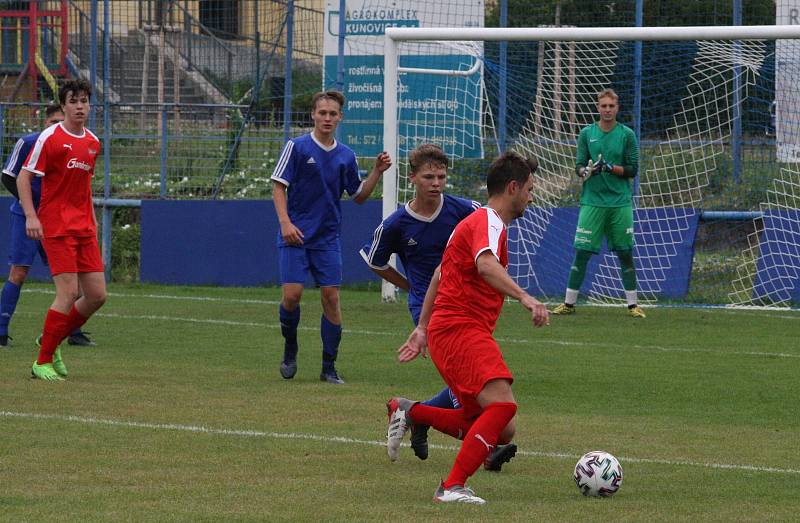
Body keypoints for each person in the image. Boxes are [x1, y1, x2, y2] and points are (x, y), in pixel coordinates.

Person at [386, 151, 549, 505]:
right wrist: (526, 297)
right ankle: (451, 486)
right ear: (512, 187)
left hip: (450, 330)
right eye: (530, 189)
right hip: (461, 329)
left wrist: (423, 328)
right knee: (503, 407)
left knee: (501, 428)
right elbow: (486, 265)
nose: (531, 197)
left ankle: (411, 411)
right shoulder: (487, 221)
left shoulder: (473, 223)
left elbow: (437, 276)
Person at [361, 143, 517, 471]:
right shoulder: (396, 224)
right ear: (413, 178)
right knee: (471, 389)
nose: (436, 183)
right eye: (429, 176)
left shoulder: (465, 210)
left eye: (442, 177)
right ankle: (484, 450)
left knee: (465, 380)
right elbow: (375, 262)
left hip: (469, 308)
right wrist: (407, 286)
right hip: (430, 310)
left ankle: (417, 415)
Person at [271, 90, 391, 384]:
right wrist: (285, 222)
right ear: (313, 114)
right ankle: (290, 345)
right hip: (295, 236)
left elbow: (359, 196)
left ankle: (329, 367)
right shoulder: (296, 147)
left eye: (332, 113)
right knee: (292, 296)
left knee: (331, 298)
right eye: (322, 112)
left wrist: (376, 171)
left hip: (327, 239)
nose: (327, 118)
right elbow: (278, 186)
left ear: (340, 117)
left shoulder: (346, 155)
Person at [18, 79, 107, 380]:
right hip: (56, 225)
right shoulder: (50, 138)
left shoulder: (93, 142)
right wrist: (31, 216)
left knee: (96, 295)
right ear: (64, 105)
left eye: (84, 101)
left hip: (84, 227)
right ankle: (41, 362)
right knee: (68, 293)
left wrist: (93, 221)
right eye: (74, 101)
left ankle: (50, 339)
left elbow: (85, 187)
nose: (80, 106)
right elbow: (23, 178)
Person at [0, 104, 96, 348]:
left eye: (58, 122)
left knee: (73, 281)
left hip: (60, 221)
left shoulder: (76, 144)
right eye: (51, 122)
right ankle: (1, 330)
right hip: (28, 218)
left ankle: (73, 331)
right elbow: (8, 176)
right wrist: (29, 208)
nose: (55, 126)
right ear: (44, 122)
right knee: (19, 273)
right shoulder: (29, 142)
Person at [552, 88, 645, 318]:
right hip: (592, 203)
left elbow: (633, 169)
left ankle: (633, 305)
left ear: (617, 108)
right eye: (603, 106)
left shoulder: (627, 135)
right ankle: (569, 303)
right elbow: (579, 166)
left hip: (619, 203)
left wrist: (610, 168)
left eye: (611, 106)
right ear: (597, 107)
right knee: (582, 252)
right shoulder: (586, 133)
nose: (607, 110)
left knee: (625, 253)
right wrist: (587, 171)